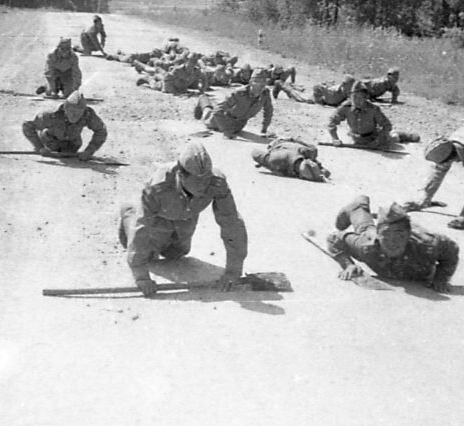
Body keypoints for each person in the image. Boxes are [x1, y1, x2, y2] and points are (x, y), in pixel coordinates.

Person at [117, 141, 248, 297]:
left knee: (176, 254)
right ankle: (128, 214)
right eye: (197, 181)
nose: (203, 186)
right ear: (181, 174)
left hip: (187, 217)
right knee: (149, 257)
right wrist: (141, 276)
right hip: (159, 217)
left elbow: (231, 223)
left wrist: (234, 271)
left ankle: (168, 241)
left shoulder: (216, 182)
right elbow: (142, 227)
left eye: (206, 179)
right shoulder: (158, 186)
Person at [324, 195, 459, 292]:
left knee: (382, 229)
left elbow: (451, 249)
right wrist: (348, 265)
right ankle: (358, 207)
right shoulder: (367, 246)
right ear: (379, 235)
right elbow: (334, 238)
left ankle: (364, 212)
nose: (392, 242)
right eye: (386, 237)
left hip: (414, 232)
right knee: (366, 230)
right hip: (376, 233)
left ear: (408, 234)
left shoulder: (427, 245)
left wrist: (442, 277)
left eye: (399, 236)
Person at [327, 81, 420, 148]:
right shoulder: (346, 107)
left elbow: (387, 125)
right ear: (350, 96)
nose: (357, 101)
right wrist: (335, 138)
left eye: (361, 98)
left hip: (372, 136)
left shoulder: (373, 110)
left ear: (366, 98)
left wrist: (377, 141)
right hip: (355, 137)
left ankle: (404, 135)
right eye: (354, 97)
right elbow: (332, 121)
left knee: (393, 138)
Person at [21, 90, 107, 161]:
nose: (74, 116)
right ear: (65, 108)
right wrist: (40, 147)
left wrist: (89, 151)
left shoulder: (88, 115)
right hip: (50, 142)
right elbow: (27, 125)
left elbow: (101, 130)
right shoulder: (51, 115)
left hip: (72, 146)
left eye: (78, 113)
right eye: (72, 112)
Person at [193, 69, 274, 138]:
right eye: (258, 82)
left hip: (239, 125)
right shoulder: (239, 93)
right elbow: (217, 111)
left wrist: (264, 129)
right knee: (207, 113)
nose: (261, 85)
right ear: (251, 82)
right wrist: (226, 131)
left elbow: (268, 111)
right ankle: (202, 99)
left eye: (263, 82)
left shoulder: (265, 94)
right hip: (219, 121)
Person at [250, 138, 330, 182]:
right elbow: (255, 152)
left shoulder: (308, 153)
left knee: (313, 150)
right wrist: (265, 161)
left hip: (294, 145)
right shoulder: (278, 160)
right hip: (277, 144)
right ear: (301, 176)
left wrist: (321, 169)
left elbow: (325, 172)